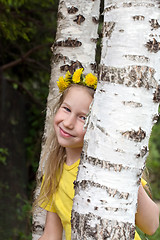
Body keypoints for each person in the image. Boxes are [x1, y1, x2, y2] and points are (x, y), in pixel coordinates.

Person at [35, 68, 159, 240]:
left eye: (83, 117)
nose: (69, 123)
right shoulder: (54, 171)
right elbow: (51, 235)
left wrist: (122, 169)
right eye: (67, 109)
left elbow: (151, 225)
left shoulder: (109, 166)